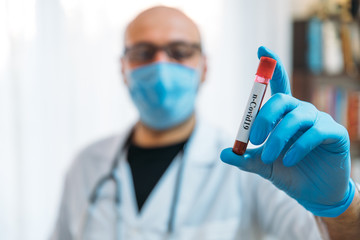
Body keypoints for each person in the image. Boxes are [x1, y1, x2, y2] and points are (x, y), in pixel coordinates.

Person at [51, 6, 360, 240]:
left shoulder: (254, 167)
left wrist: (340, 208)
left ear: (204, 67)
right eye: (143, 52)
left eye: (179, 51)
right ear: (123, 68)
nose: (161, 65)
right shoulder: (85, 167)